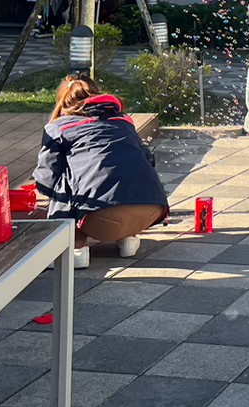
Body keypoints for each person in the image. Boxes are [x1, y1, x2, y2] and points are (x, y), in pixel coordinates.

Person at [34, 74, 170, 268]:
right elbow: (149, 160)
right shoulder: (124, 121)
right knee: (123, 170)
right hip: (151, 210)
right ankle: (128, 238)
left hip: (98, 218)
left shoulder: (58, 128)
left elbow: (46, 179)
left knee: (64, 180)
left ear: (63, 101)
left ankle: (76, 247)